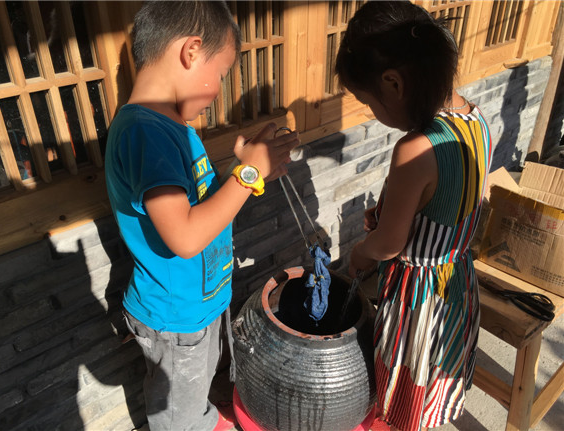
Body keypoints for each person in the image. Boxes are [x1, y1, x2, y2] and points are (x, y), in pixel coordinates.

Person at [104, 2, 299, 430]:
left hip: (198, 305)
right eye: (222, 74)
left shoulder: (172, 128)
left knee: (197, 389)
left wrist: (242, 170)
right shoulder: (146, 133)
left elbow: (196, 206)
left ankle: (204, 419)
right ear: (191, 51)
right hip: (175, 317)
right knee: (178, 411)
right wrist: (248, 176)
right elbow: (185, 236)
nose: (218, 90)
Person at [336, 2, 492, 431]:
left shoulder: (415, 148)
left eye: (368, 102)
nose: (373, 113)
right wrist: (395, 207)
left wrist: (361, 252)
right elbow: (456, 196)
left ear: (393, 83)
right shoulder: (475, 119)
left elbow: (389, 244)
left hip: (419, 297)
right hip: (456, 284)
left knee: (409, 380)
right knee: (437, 375)